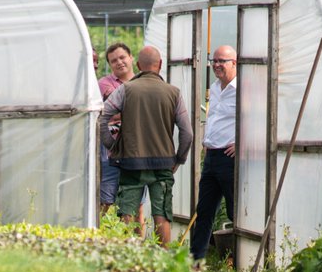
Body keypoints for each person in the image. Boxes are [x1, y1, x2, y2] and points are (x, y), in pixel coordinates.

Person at [99, 45, 192, 244]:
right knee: (162, 214)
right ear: (160, 65)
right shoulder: (173, 93)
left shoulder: (125, 89)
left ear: (139, 65)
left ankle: (132, 260)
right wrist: (179, 159)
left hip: (131, 163)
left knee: (128, 214)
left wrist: (113, 147)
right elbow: (187, 132)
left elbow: (102, 118)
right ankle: (164, 261)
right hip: (163, 164)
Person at [189, 45, 238, 261]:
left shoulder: (243, 88)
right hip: (211, 156)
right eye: (214, 61)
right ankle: (196, 260)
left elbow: (259, 119)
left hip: (229, 157)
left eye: (222, 61)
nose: (216, 65)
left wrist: (242, 143)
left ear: (235, 63)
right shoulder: (216, 87)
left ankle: (239, 260)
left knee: (234, 210)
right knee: (205, 210)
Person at [97, 43, 135, 214]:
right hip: (109, 148)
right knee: (106, 200)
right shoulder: (103, 84)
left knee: (135, 205)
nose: (119, 62)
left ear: (131, 57)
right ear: (110, 65)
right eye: (113, 61)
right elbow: (99, 114)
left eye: (122, 57)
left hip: (135, 148)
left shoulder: (141, 82)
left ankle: (137, 240)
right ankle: (102, 237)